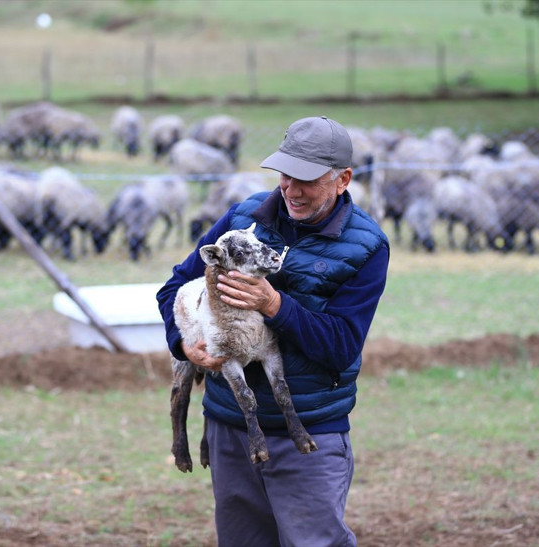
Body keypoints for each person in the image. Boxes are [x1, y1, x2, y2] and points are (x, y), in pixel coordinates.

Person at [156, 115, 390, 546]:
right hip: (229, 428)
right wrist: (186, 345)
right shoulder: (242, 218)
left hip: (308, 433)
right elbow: (174, 288)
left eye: (308, 179)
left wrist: (274, 305)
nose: (292, 189)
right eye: (286, 174)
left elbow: (340, 347)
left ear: (343, 180)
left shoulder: (365, 247)